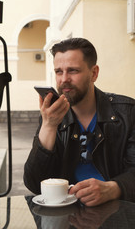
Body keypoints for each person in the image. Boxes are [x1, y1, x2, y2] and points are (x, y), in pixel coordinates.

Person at [24, 38, 135, 207]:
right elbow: (34, 183)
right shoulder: (53, 117)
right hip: (67, 215)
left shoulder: (127, 113)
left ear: (94, 73)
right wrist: (48, 126)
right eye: (59, 72)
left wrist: (113, 188)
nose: (64, 79)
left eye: (73, 71)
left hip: (117, 212)